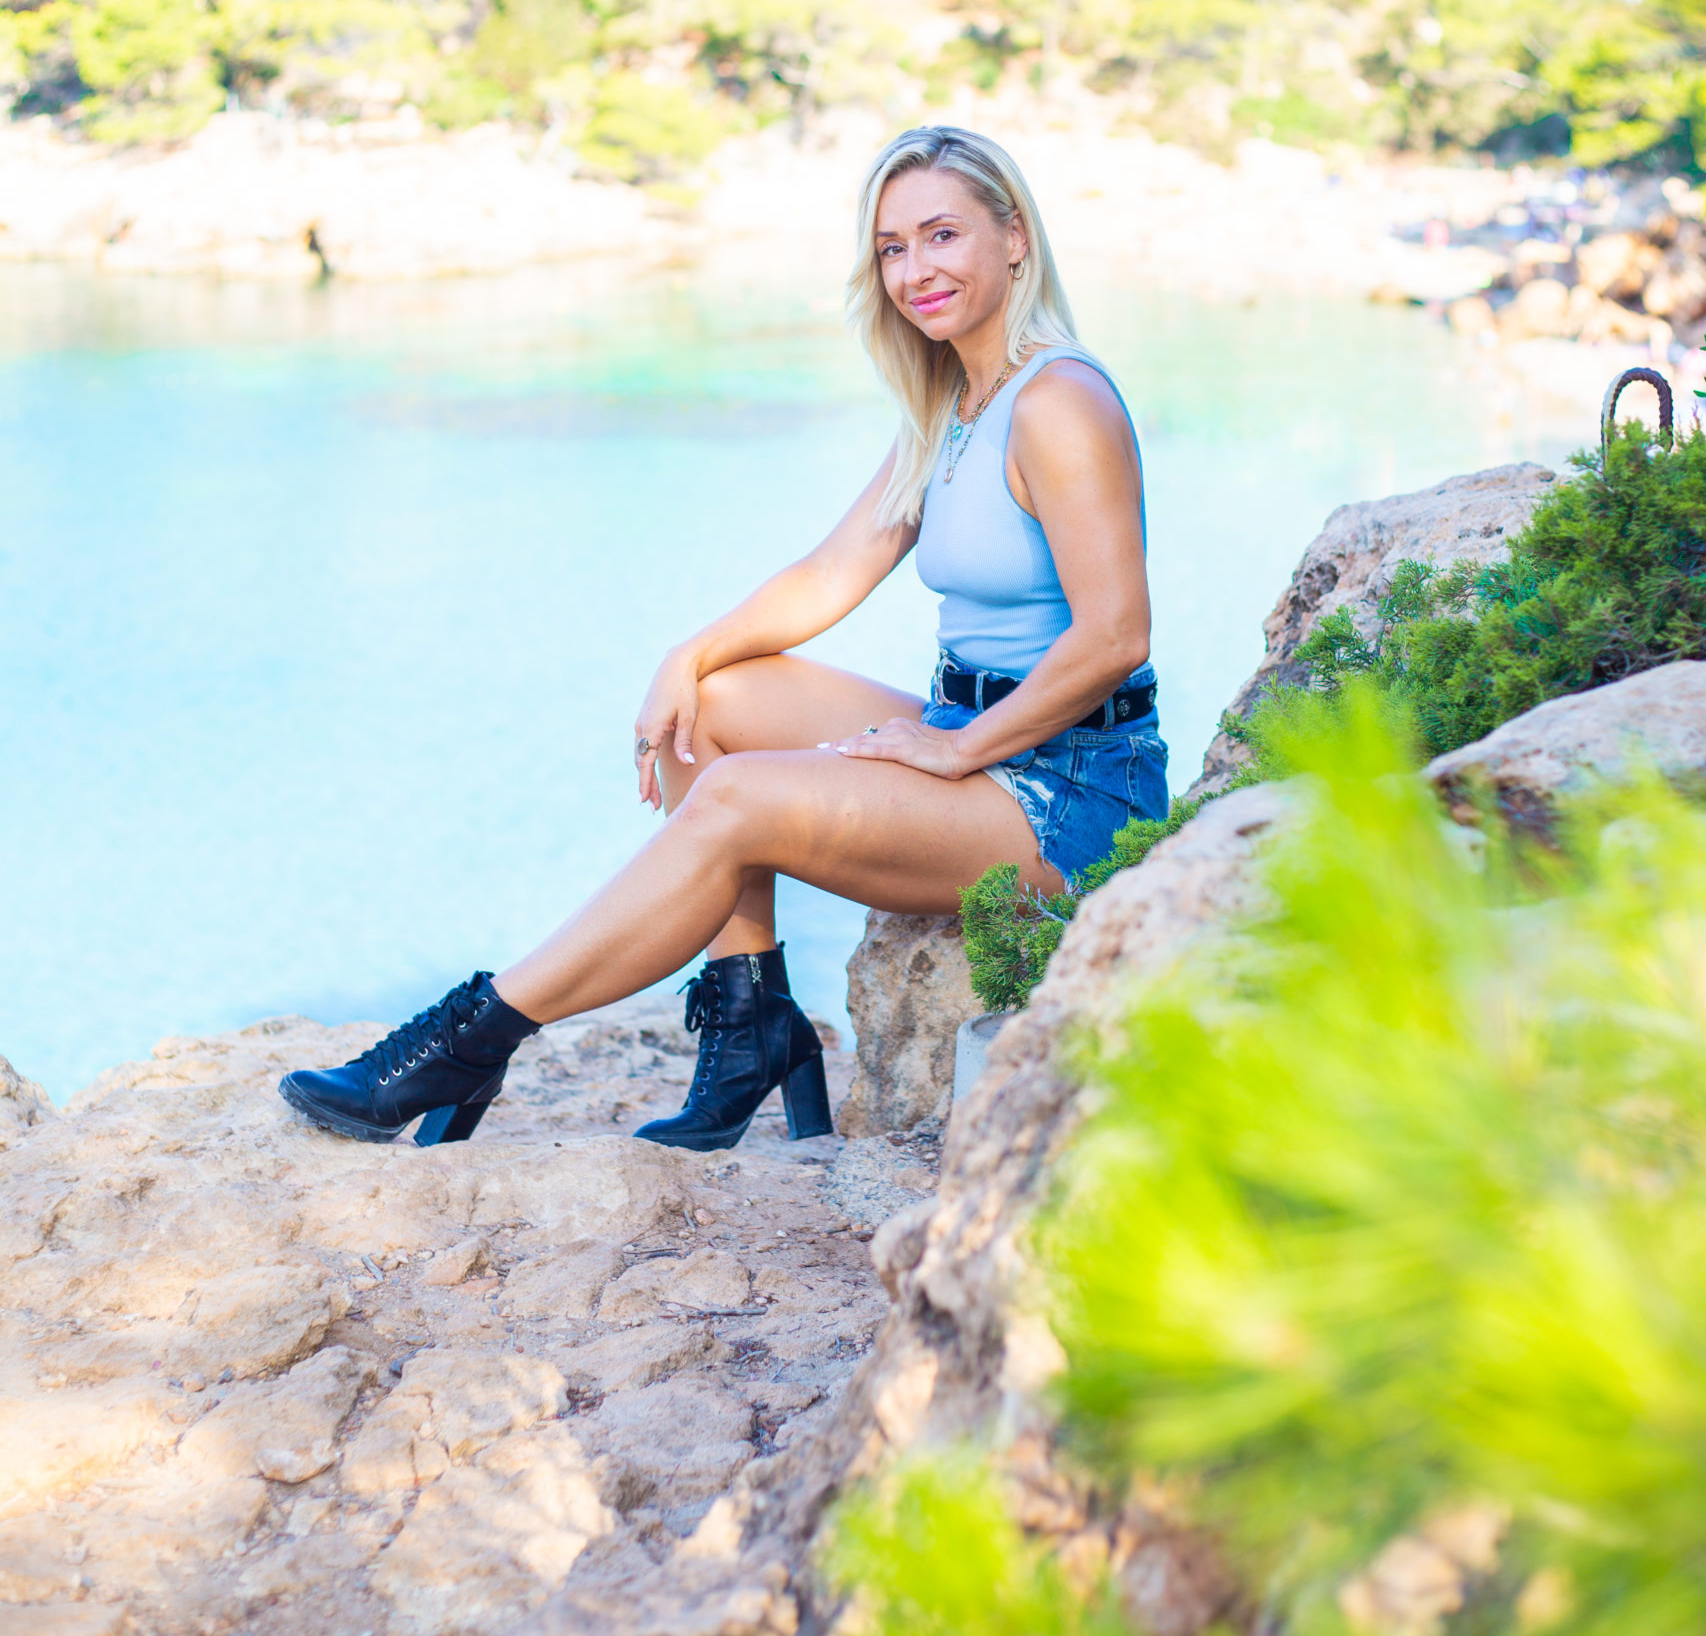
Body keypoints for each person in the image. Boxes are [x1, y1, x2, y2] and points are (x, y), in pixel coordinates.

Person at [279, 125, 1167, 1154]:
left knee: (739, 798)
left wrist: (958, 748)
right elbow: (830, 574)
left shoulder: (1059, 401)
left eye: (942, 235)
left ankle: (469, 1038)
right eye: (891, 248)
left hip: (1068, 797)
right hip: (976, 738)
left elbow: (1115, 633)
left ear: (1014, 237)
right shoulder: (959, 404)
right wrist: (687, 657)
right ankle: (750, 1025)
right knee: (717, 708)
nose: (915, 271)